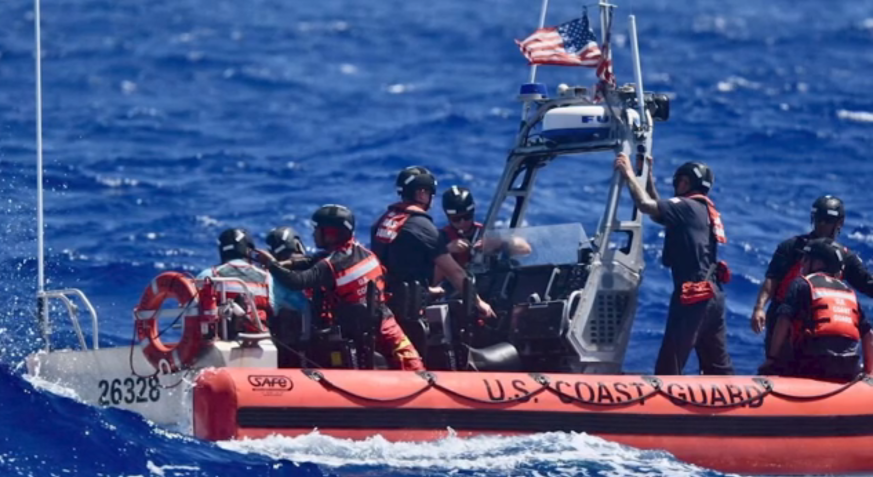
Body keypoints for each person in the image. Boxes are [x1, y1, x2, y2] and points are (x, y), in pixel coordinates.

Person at [255, 204, 425, 371]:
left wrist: (271, 265)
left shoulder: (330, 266)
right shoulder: (362, 253)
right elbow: (314, 260)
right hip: (385, 322)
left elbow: (297, 281)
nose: (313, 234)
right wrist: (288, 263)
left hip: (358, 332)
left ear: (330, 235)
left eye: (317, 230)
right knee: (414, 364)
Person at [614, 154, 734, 375]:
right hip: (713, 296)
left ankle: (660, 406)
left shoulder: (685, 206)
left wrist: (628, 173)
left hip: (693, 296)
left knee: (670, 366)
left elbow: (645, 205)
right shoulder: (701, 209)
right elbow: (660, 214)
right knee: (718, 368)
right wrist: (648, 179)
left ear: (685, 182)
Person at [750, 195, 873, 362]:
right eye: (818, 219)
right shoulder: (792, 247)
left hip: (818, 325)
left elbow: (867, 284)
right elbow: (772, 279)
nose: (821, 224)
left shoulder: (844, 257)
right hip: (785, 318)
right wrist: (759, 308)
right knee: (778, 364)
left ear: (839, 223)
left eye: (827, 220)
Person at [370, 166, 495, 318]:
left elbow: (395, 268)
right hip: (409, 310)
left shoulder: (383, 221)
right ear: (422, 193)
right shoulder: (421, 225)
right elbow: (454, 272)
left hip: (384, 303)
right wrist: (479, 303)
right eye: (430, 193)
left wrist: (428, 290)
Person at [759, 238, 873, 380]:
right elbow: (868, 334)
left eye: (806, 259)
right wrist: (869, 372)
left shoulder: (801, 283)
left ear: (818, 263)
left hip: (815, 365)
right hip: (850, 367)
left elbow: (783, 321)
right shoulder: (848, 292)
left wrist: (772, 359)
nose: (802, 264)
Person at [197, 228, 275, 333]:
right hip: (260, 336)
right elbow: (275, 309)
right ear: (248, 250)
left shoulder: (209, 275)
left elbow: (193, 308)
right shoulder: (267, 278)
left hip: (219, 338)